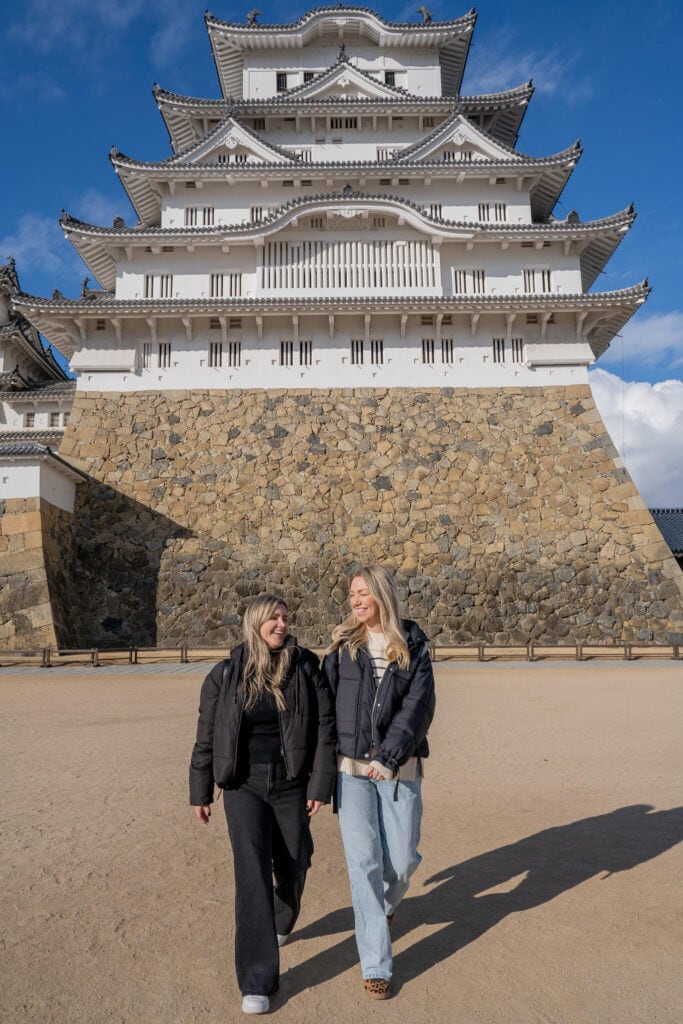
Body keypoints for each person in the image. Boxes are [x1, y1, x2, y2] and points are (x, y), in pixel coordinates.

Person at [189, 595, 336, 1016]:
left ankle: (283, 916)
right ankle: (258, 980)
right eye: (274, 617)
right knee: (251, 875)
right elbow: (206, 734)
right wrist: (201, 790)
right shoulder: (226, 674)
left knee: (296, 863)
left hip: (291, 783)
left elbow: (325, 729)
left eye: (286, 618)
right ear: (255, 623)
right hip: (243, 787)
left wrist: (319, 786)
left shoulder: (306, 667)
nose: (282, 624)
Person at [323, 565, 436, 1000]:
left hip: (399, 769)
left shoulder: (413, 646)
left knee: (403, 861)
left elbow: (420, 707)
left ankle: (387, 907)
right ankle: (376, 963)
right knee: (363, 865)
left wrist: (388, 758)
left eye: (364, 592)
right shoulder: (341, 649)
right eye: (352, 593)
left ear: (382, 595)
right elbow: (325, 711)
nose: (356, 601)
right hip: (350, 771)